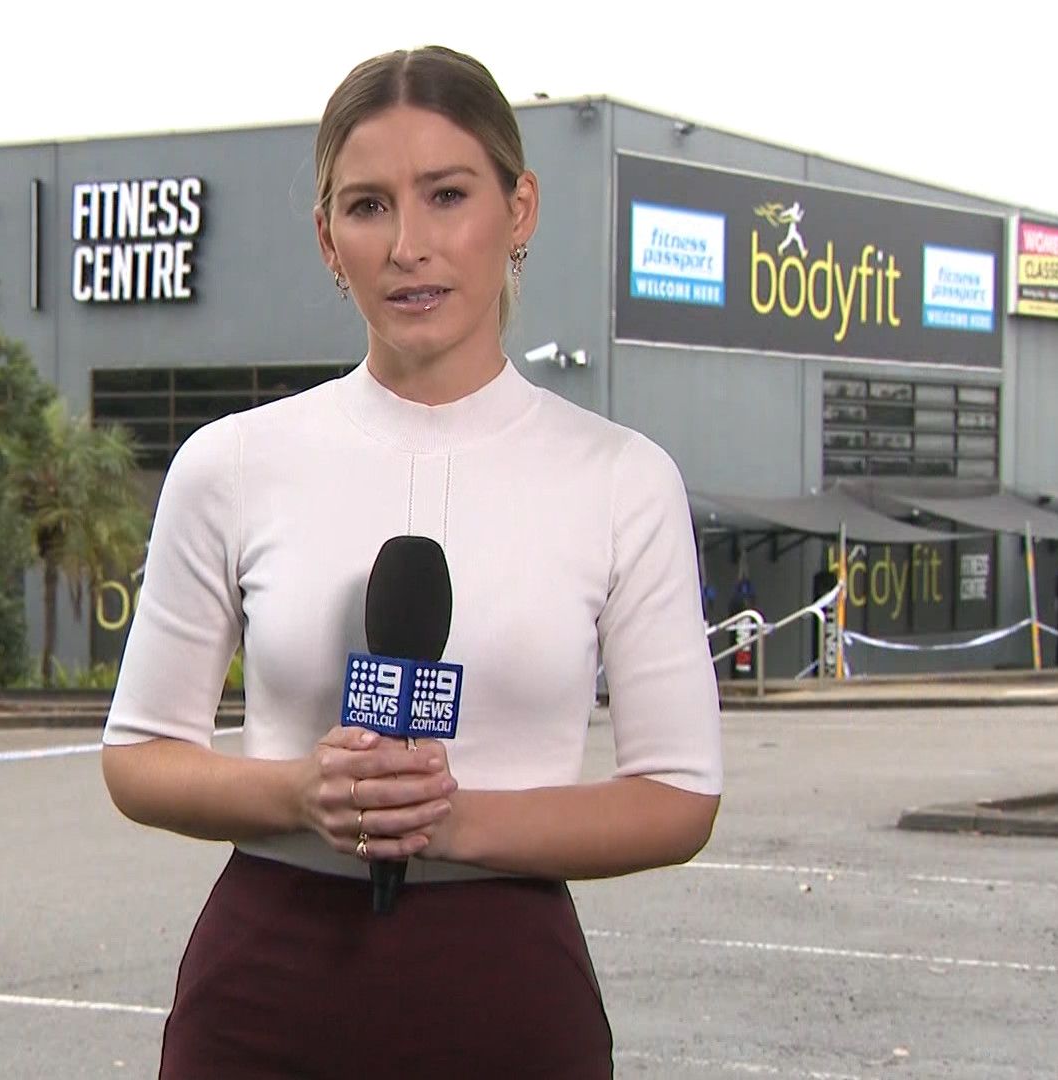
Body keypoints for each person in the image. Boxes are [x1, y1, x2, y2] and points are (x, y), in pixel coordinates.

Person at [100, 45, 723, 1079]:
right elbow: (139, 756)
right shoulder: (232, 463)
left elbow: (678, 794)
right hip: (263, 992)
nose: (408, 246)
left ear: (519, 210)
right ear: (326, 238)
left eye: (447, 195)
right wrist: (301, 794)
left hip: (508, 994)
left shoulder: (622, 479)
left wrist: (454, 819)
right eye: (368, 207)